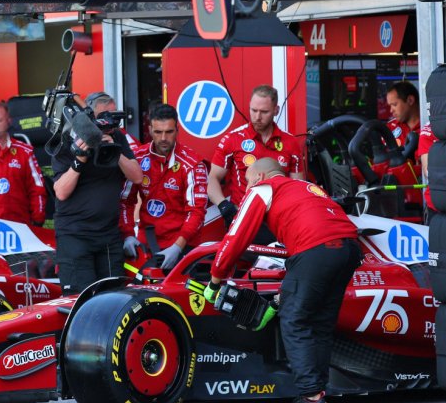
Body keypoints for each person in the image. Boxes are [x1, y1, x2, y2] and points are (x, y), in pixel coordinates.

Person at [205, 158, 360, 403]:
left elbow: (236, 236)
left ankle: (310, 398)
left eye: (248, 180)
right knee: (320, 322)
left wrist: (215, 278)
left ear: (261, 175)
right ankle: (318, 393)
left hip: (316, 249)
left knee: (294, 319)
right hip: (349, 248)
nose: (247, 186)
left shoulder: (264, 188)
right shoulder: (305, 186)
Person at [51, 92, 143, 294]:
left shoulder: (117, 136)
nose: (108, 121)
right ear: (89, 115)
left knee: (113, 297)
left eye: (113, 115)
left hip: (108, 235)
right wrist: (80, 158)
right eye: (104, 116)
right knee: (81, 300)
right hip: (75, 235)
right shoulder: (67, 138)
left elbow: (137, 177)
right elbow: (61, 192)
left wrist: (114, 149)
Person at [121, 104, 208, 272]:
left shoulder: (193, 164)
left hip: (182, 247)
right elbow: (125, 201)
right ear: (149, 129)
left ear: (177, 130)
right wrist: (128, 235)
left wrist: (178, 247)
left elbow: (197, 211)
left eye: (169, 132)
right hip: (146, 245)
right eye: (158, 132)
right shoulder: (138, 159)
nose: (163, 138)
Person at [207, 85, 305, 227]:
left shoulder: (291, 143)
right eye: (254, 110)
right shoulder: (233, 139)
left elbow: (298, 187)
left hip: (278, 219)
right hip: (241, 216)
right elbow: (212, 178)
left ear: (276, 110)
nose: (257, 117)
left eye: (264, 112)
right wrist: (223, 205)